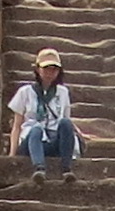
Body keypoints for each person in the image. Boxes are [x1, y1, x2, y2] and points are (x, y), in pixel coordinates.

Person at [7, 50, 81, 180]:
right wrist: (12, 154)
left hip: (53, 139)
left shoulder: (62, 93)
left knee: (65, 123)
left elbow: (65, 119)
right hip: (31, 141)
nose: (50, 73)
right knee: (36, 129)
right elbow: (17, 126)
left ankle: (66, 168)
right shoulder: (25, 92)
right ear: (37, 69)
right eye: (46, 68)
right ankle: (39, 168)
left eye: (54, 69)